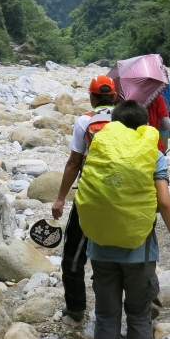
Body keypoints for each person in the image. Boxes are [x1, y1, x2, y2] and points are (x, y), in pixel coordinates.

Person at [77, 99, 170, 339]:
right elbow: (165, 204)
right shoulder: (152, 154)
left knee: (106, 318)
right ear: (144, 126)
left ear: (114, 122)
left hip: (100, 251)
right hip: (139, 255)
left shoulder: (98, 151)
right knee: (140, 318)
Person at [52, 74, 116, 325]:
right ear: (115, 96)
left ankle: (76, 309)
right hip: (125, 198)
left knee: (74, 255)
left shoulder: (85, 121)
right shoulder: (130, 119)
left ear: (91, 97)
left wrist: (59, 199)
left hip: (90, 198)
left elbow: (74, 163)